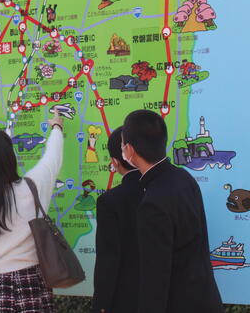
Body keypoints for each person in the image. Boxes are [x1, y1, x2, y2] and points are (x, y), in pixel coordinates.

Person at [0, 108, 65, 312]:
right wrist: (57, 128)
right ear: (10, 157)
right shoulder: (32, 187)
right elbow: (52, 158)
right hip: (32, 287)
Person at [121, 109, 223, 313]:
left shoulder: (152, 203)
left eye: (122, 144)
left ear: (130, 150)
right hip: (206, 299)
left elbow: (155, 277)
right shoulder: (184, 178)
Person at [92, 127, 143, 313]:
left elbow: (108, 259)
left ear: (115, 162)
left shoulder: (110, 201)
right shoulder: (169, 188)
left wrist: (101, 305)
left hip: (126, 298)